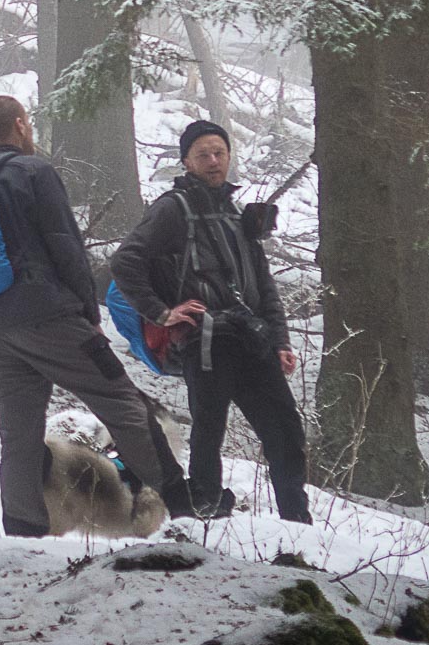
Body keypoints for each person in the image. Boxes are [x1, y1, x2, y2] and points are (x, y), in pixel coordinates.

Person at [0, 95, 196, 536]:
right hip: (47, 317)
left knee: (19, 433)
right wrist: (88, 312)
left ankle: (22, 531)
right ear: (22, 126)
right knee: (123, 402)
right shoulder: (33, 171)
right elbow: (64, 244)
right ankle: (184, 507)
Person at [109, 119, 312, 524]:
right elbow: (124, 261)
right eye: (203, 154)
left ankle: (297, 521)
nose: (213, 161)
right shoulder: (172, 208)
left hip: (251, 340)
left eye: (219, 152)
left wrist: (281, 340)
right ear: (186, 161)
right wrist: (164, 314)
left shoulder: (237, 214)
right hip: (204, 342)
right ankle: (204, 513)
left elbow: (262, 284)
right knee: (209, 431)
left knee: (286, 428)